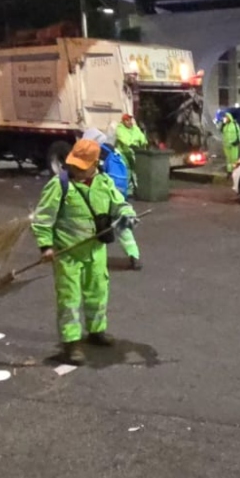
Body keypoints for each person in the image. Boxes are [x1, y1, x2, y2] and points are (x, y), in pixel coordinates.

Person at [32, 139, 139, 364]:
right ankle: (70, 344)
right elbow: (43, 218)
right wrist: (46, 246)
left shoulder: (104, 183)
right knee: (69, 299)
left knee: (98, 292)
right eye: (74, 165)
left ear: (94, 164)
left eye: (82, 166)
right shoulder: (59, 185)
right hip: (68, 253)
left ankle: (96, 331)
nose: (77, 170)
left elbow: (119, 204)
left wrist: (127, 214)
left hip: (96, 250)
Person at [114, 113, 148, 193]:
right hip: (124, 154)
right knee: (127, 171)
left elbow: (141, 136)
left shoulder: (135, 128)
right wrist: (131, 144)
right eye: (127, 120)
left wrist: (144, 142)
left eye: (130, 120)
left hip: (135, 153)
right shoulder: (120, 129)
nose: (129, 122)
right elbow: (124, 140)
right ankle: (125, 191)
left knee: (135, 171)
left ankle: (134, 189)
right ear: (123, 121)